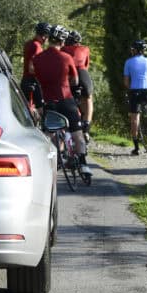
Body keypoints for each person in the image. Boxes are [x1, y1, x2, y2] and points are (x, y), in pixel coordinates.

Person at [32, 24, 91, 177]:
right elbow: (75, 81)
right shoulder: (66, 58)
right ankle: (83, 164)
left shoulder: (37, 59)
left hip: (49, 101)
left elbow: (35, 75)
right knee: (77, 133)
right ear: (62, 42)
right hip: (66, 100)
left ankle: (47, 164)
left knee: (49, 134)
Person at [62, 30, 94, 139]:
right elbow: (86, 65)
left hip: (68, 74)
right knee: (88, 98)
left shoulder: (63, 49)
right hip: (82, 73)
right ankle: (86, 126)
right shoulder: (85, 49)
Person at [21, 22, 51, 115]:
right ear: (44, 35)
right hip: (32, 82)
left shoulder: (29, 43)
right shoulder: (37, 46)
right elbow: (31, 67)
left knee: (25, 109)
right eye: (48, 36)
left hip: (25, 80)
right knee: (41, 110)